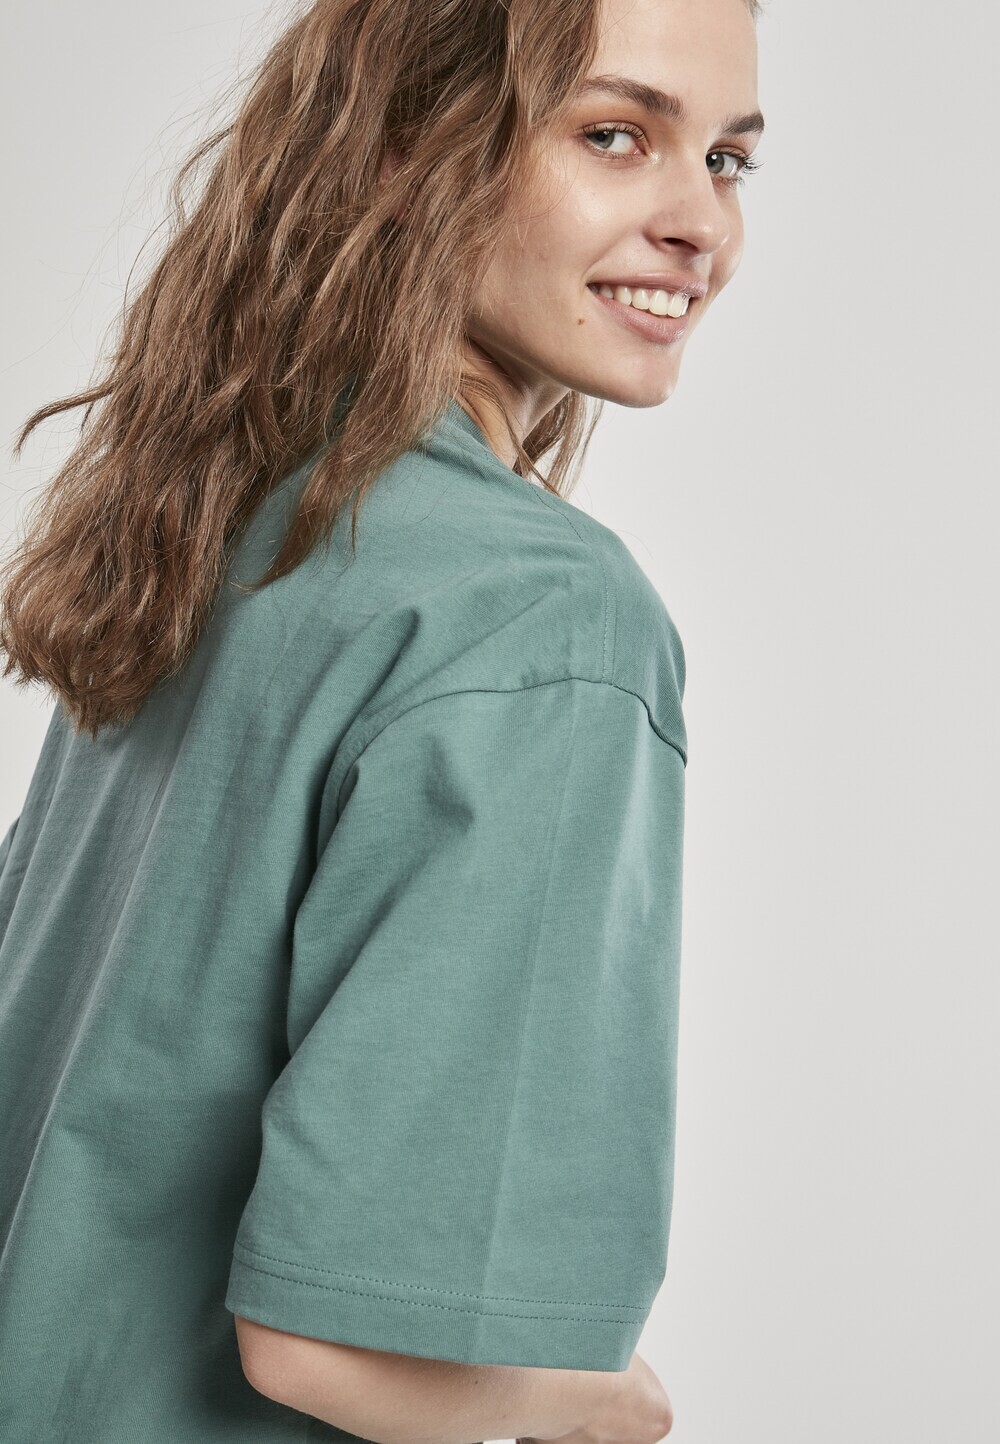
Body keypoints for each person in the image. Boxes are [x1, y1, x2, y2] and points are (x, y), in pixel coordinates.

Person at [0, 0, 765, 1438]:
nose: (700, 223)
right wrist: (602, 1403)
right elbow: (334, 1346)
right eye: (616, 135)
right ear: (413, 148)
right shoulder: (541, 614)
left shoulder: (215, 513)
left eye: (728, 159)